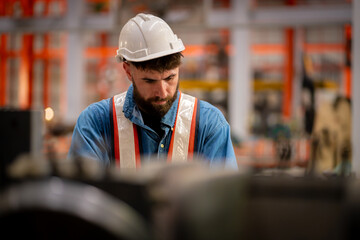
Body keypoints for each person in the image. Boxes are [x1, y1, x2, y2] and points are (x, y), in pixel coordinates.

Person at [68, 13, 237, 169]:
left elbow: (225, 197)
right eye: (149, 81)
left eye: (170, 78)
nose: (162, 92)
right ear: (128, 70)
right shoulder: (96, 123)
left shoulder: (209, 124)